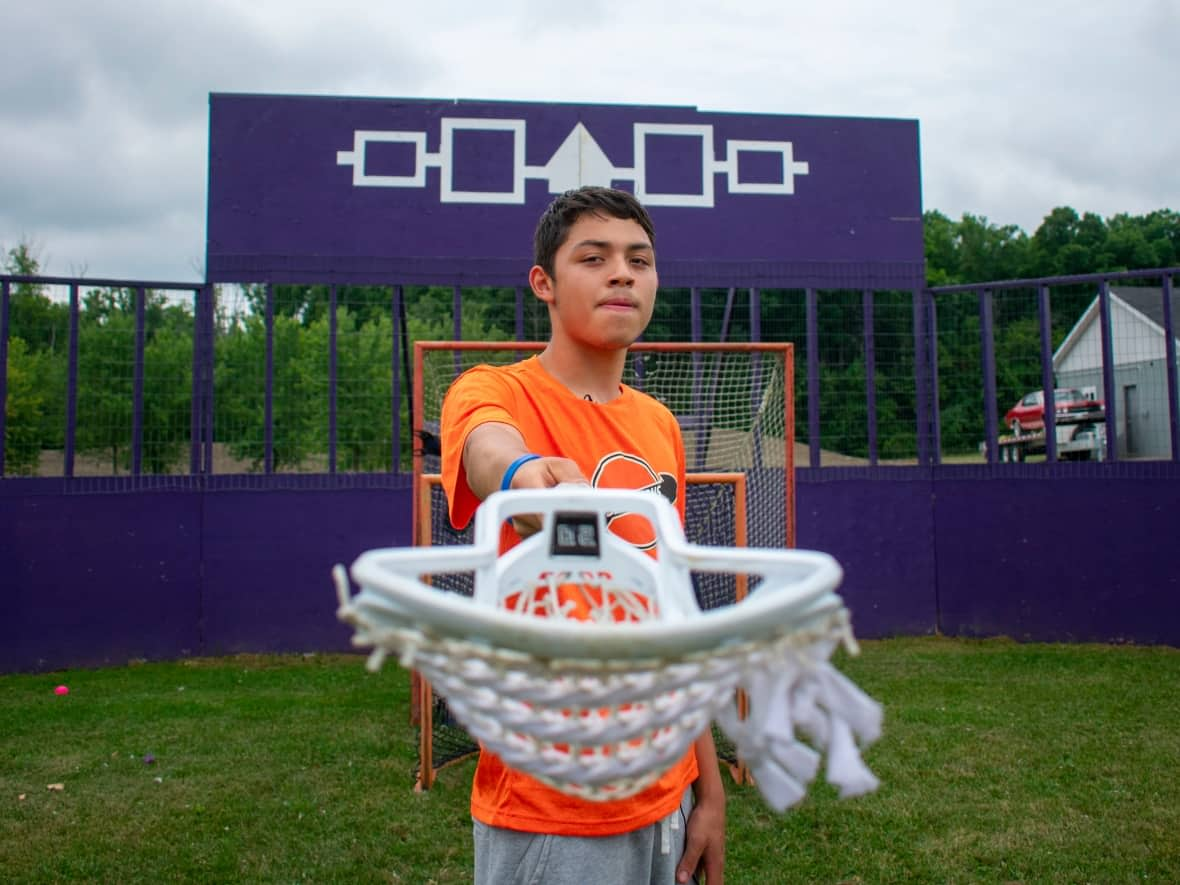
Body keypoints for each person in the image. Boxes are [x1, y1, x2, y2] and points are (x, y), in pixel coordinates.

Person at [440, 186, 726, 884]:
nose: (622, 273)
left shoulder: (660, 426)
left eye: (640, 259)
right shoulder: (497, 390)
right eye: (593, 258)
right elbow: (488, 448)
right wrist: (526, 475)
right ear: (543, 281)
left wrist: (708, 789)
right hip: (553, 807)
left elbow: (670, 620)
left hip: (667, 792)